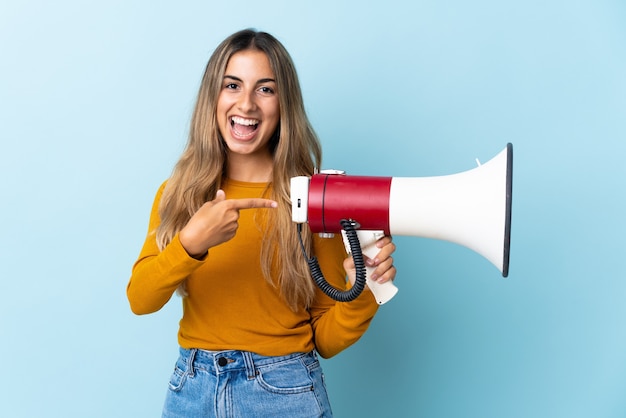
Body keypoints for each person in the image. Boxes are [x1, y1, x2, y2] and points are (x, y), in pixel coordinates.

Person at [126, 28, 397, 418]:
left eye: (265, 89)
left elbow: (325, 338)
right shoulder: (179, 194)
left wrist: (366, 289)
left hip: (284, 391)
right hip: (192, 391)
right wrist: (190, 244)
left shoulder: (310, 200)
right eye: (232, 85)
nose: (247, 103)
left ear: (284, 104)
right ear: (212, 98)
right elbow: (140, 298)